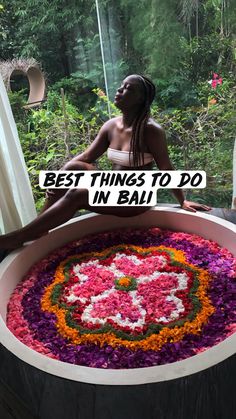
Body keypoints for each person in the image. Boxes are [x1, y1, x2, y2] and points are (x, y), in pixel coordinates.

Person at [0, 74, 210, 250]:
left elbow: (166, 168)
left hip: (137, 197)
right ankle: (41, 225)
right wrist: (61, 176)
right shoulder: (111, 126)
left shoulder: (151, 130)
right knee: (74, 167)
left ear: (140, 99)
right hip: (113, 185)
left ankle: (19, 237)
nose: (119, 90)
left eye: (128, 89)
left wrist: (182, 200)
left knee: (78, 193)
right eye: (121, 86)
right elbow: (86, 158)